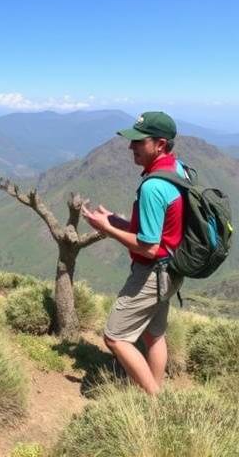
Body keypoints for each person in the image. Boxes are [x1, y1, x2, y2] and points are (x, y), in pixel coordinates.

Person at [81, 111, 184, 395]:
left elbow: (148, 247)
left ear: (160, 144)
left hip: (151, 274)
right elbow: (161, 232)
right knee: (154, 334)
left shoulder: (153, 186)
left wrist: (107, 228)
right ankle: (154, 390)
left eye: (139, 141)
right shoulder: (178, 170)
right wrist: (116, 220)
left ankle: (155, 401)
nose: (131, 147)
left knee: (115, 338)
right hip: (172, 267)